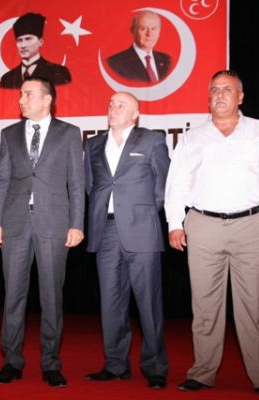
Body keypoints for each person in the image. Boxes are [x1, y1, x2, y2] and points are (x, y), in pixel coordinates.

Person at [164, 70, 259, 399]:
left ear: (240, 97)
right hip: (203, 225)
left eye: (227, 89)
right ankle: (202, 372)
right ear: (208, 97)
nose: (220, 95)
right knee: (204, 307)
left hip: (252, 226)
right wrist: (174, 223)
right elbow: (176, 182)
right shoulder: (193, 137)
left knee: (255, 308)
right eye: (214, 90)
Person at [0, 76, 85, 387]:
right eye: (20, 94)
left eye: (28, 94)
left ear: (47, 99)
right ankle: (11, 361)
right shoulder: (9, 134)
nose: (21, 99)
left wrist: (77, 223)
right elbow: (1, 180)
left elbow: (77, 182)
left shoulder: (69, 133)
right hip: (14, 223)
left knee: (51, 297)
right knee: (13, 295)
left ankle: (51, 363)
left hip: (54, 223)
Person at [84, 92, 170, 389]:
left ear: (135, 114)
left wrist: (142, 215)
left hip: (142, 231)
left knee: (148, 302)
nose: (113, 108)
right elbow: (91, 185)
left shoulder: (152, 140)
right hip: (105, 231)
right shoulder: (93, 144)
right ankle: (115, 364)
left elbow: (163, 186)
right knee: (111, 302)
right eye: (110, 103)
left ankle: (155, 367)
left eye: (121, 105)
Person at [0, 12, 71, 89]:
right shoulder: (7, 79)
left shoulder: (59, 73)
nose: (23, 45)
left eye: (28, 39)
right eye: (19, 40)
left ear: (40, 42)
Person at [107, 11, 171, 83]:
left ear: (159, 32)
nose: (149, 34)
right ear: (133, 31)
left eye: (154, 29)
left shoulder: (167, 61)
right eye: (143, 28)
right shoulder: (115, 63)